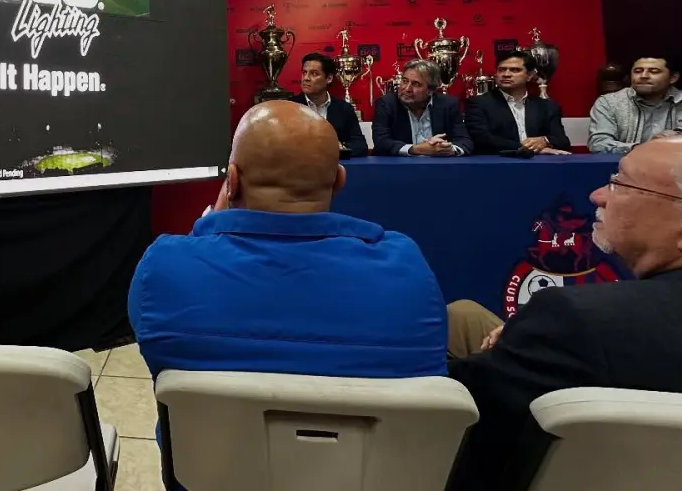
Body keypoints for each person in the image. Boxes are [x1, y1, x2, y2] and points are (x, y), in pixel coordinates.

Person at [129, 101, 447, 488]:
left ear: (231, 180)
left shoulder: (163, 269)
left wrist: (208, 228)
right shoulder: (408, 268)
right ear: (339, 180)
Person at [444, 131, 682, 491]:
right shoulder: (588, 320)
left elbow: (448, 423)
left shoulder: (580, 320)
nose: (597, 195)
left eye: (620, 183)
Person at [588, 57, 682, 154]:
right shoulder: (609, 102)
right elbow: (598, 144)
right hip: (628, 168)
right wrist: (646, 148)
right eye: (638, 71)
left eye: (654, 71)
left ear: (673, 78)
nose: (644, 76)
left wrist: (679, 141)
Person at [465, 51, 571, 155]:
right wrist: (528, 149)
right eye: (501, 70)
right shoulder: (479, 103)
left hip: (540, 165)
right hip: (499, 163)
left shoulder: (547, 106)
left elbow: (562, 140)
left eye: (515, 70)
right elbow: (481, 139)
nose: (506, 74)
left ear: (530, 75)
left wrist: (544, 141)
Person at [370, 59, 473, 156]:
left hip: (439, 168)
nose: (407, 89)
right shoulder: (386, 104)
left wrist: (447, 149)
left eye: (416, 84)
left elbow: (465, 141)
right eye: (405, 81)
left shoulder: (448, 104)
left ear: (431, 90)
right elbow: (381, 143)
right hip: (400, 168)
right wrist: (417, 149)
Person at [289, 52, 368, 157]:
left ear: (329, 79)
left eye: (314, 74)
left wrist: (338, 147)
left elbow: (360, 146)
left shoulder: (344, 108)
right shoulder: (290, 107)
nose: (306, 78)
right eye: (304, 72)